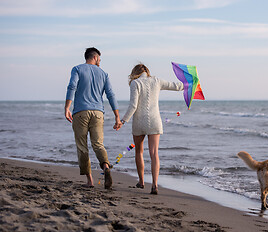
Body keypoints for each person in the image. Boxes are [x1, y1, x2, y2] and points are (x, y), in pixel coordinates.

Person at [64, 47, 122, 189]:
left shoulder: (77, 69)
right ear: (95, 57)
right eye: (99, 59)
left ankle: (90, 180)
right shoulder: (104, 74)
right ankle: (106, 167)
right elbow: (110, 95)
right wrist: (117, 117)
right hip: (98, 113)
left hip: (81, 112)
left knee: (82, 146)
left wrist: (67, 107)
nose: (100, 62)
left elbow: (72, 86)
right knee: (98, 144)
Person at [121, 64, 183, 194]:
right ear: (147, 72)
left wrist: (123, 121)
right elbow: (177, 86)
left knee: (139, 151)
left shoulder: (135, 83)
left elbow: (133, 106)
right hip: (155, 121)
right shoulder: (157, 81)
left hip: (139, 122)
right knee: (154, 153)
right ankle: (154, 185)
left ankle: (141, 182)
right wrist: (189, 84)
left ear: (135, 73)